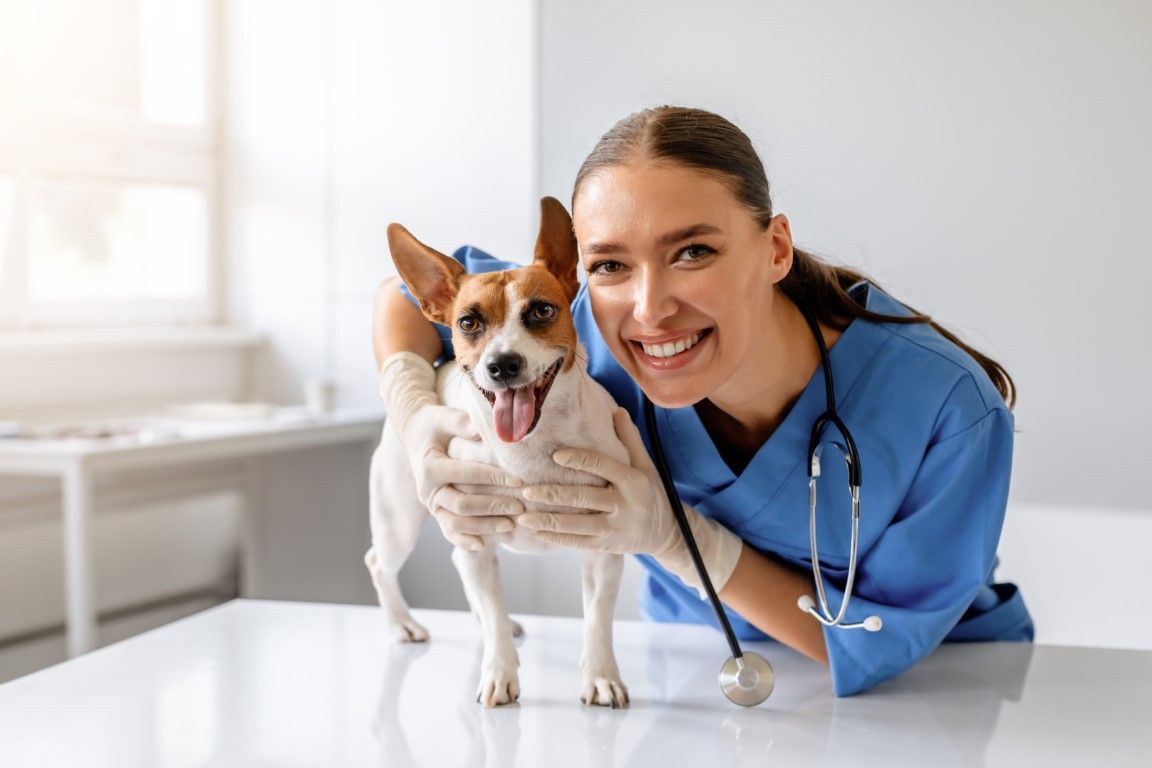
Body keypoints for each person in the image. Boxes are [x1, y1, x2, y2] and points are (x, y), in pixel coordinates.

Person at [373, 106, 1034, 697]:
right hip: (687, 668)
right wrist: (408, 407)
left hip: (946, 695)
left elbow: (877, 640)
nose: (650, 308)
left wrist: (677, 540)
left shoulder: (945, 408)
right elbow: (403, 297)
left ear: (775, 249)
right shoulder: (572, 337)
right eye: (609, 264)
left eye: (693, 252)